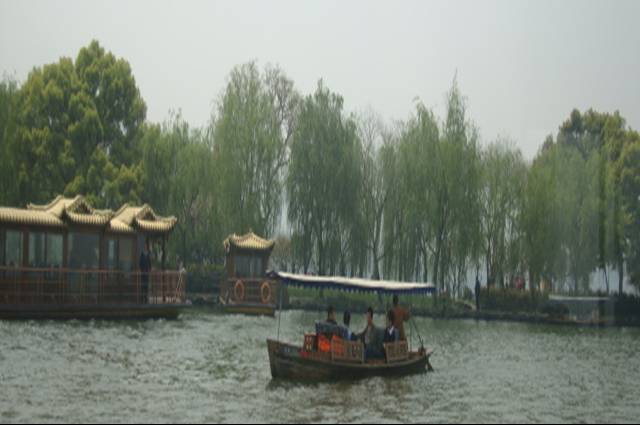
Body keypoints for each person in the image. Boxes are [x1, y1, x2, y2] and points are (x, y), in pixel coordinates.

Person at [139, 239, 151, 304]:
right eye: (145, 246)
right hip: (143, 272)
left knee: (146, 285)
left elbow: (149, 263)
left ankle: (146, 299)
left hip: (147, 272)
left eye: (146, 246)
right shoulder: (142, 254)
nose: (145, 247)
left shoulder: (148, 254)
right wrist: (141, 270)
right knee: (142, 285)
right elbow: (140, 263)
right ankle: (142, 299)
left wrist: (149, 269)